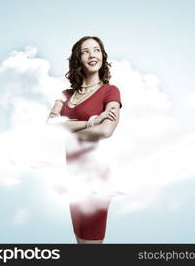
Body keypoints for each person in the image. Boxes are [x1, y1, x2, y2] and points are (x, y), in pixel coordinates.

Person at [48, 36, 122, 244]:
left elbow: (106, 130)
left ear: (102, 56)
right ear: (77, 58)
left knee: (91, 245)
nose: (92, 55)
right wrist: (89, 123)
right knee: (80, 240)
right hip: (73, 178)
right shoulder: (65, 94)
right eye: (85, 51)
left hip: (95, 179)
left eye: (97, 50)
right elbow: (51, 126)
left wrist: (67, 127)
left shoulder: (110, 91)